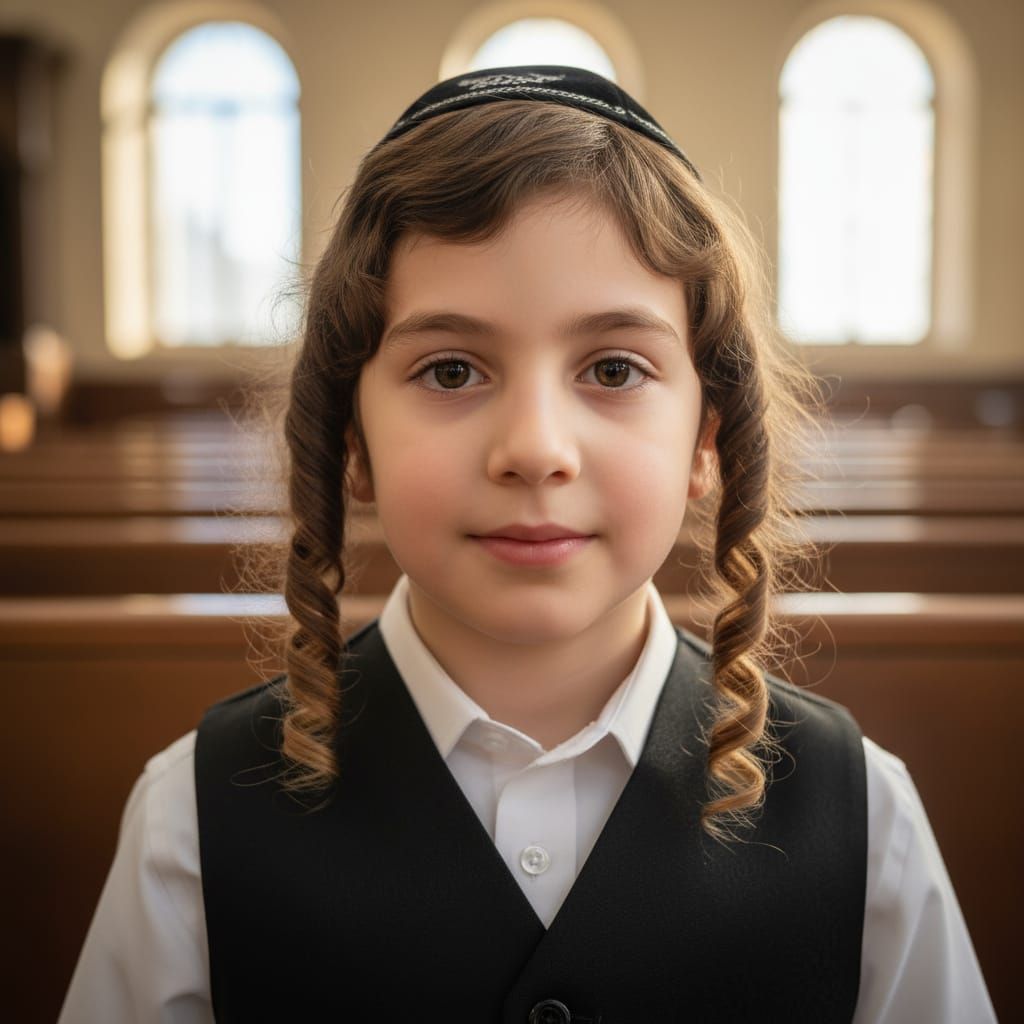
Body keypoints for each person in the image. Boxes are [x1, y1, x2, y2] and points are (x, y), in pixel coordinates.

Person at [59, 66, 996, 1023]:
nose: (537, 450)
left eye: (615, 367)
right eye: (453, 368)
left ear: (706, 439)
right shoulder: (195, 822)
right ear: (353, 440)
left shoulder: (865, 818)